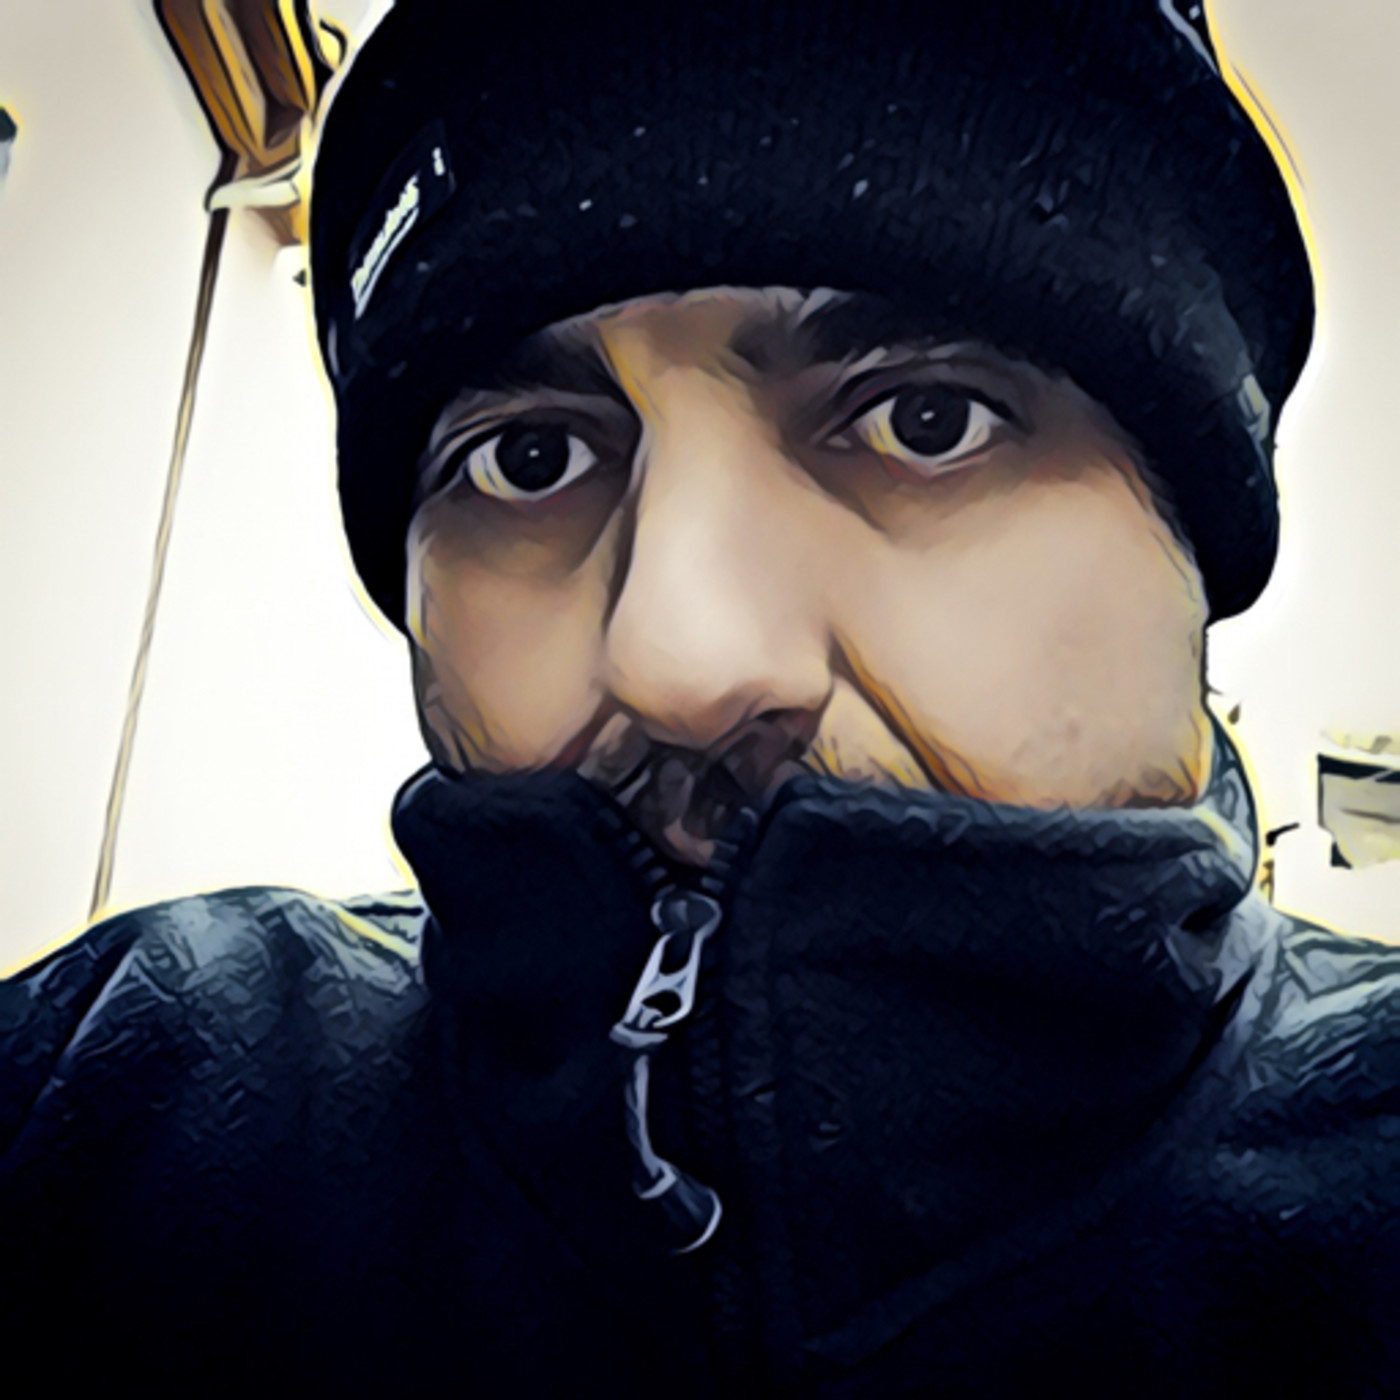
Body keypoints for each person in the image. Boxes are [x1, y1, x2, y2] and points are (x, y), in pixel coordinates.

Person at [3, 0, 1398, 1393]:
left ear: (1193, 551)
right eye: (530, 459)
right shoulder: (115, 1102)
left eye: (925, 420)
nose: (675, 659)